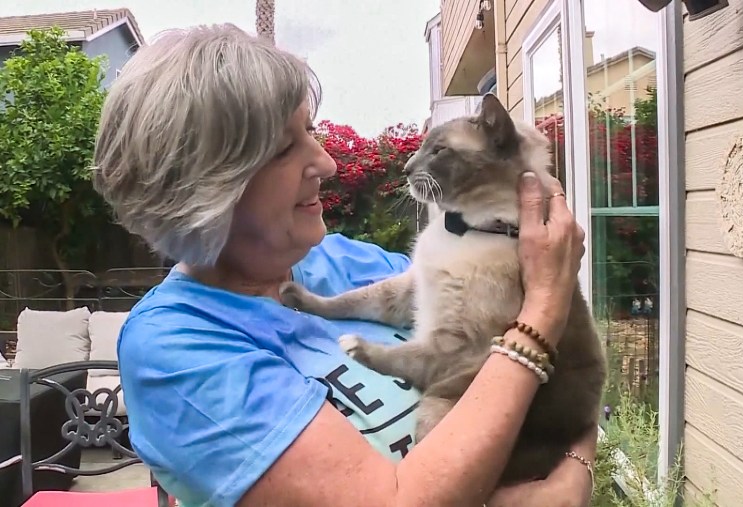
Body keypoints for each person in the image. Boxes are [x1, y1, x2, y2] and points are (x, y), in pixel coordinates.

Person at [92, 23, 597, 507]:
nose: (327, 163)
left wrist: (576, 465)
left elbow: (561, 376)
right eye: (285, 148)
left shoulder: (348, 263)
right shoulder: (177, 349)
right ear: (204, 186)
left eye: (309, 130)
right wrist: (545, 306)